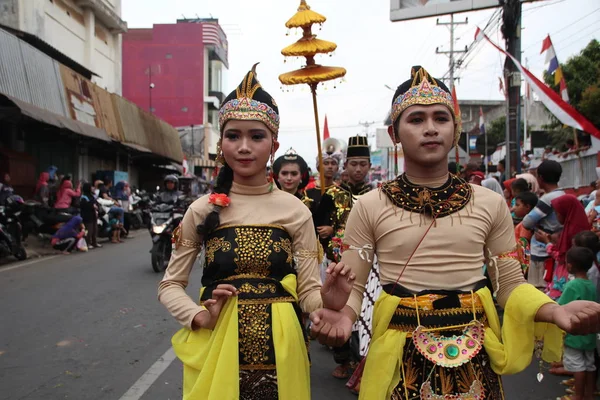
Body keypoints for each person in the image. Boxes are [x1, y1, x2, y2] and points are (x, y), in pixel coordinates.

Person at [309, 66, 600, 400]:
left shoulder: (489, 203)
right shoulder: (369, 205)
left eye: (440, 119)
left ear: (456, 129)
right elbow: (355, 285)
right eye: (416, 119)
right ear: (394, 134)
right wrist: (342, 316)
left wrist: (553, 310)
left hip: (474, 355)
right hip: (399, 353)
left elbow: (508, 284)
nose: (430, 128)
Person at [158, 64, 354, 399]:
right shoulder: (202, 209)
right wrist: (198, 316)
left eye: (256, 136)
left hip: (282, 344)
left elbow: (307, 293)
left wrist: (327, 302)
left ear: (273, 145)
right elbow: (170, 285)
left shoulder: (295, 211)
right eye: (233, 136)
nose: (244, 147)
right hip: (218, 341)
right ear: (221, 143)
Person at [317, 135, 373, 380]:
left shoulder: (378, 196)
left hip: (369, 265)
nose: (358, 169)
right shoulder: (332, 194)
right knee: (340, 308)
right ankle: (344, 359)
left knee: (366, 314)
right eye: (354, 164)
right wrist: (328, 231)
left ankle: (364, 361)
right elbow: (318, 225)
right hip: (338, 262)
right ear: (346, 165)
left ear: (369, 166)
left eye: (363, 164)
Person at [558, 247, 598, 400]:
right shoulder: (591, 284)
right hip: (589, 333)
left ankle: (578, 395)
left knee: (577, 366)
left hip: (574, 333)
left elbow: (562, 306)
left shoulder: (572, 286)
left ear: (569, 266)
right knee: (589, 364)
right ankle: (589, 393)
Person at [536, 195, 591, 300]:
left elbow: (563, 256)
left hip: (567, 276)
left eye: (557, 213)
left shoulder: (573, 233)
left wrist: (547, 243)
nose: (556, 217)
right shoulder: (571, 227)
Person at [522, 160, 565, 290]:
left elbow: (527, 222)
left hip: (541, 251)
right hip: (554, 246)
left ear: (540, 178)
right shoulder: (562, 194)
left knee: (539, 288)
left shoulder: (547, 199)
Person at [513, 191, 538, 274]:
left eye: (517, 205)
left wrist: (524, 268)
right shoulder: (525, 223)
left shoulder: (525, 224)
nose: (514, 208)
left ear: (527, 206)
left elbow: (524, 245)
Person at [80, 183, 100, 249]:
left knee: (95, 229)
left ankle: (94, 242)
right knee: (89, 230)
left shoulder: (92, 196)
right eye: (91, 187)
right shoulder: (84, 197)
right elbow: (84, 205)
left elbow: (96, 203)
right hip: (87, 215)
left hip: (93, 214)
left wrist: (96, 207)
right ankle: (87, 243)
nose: (92, 188)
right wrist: (92, 206)